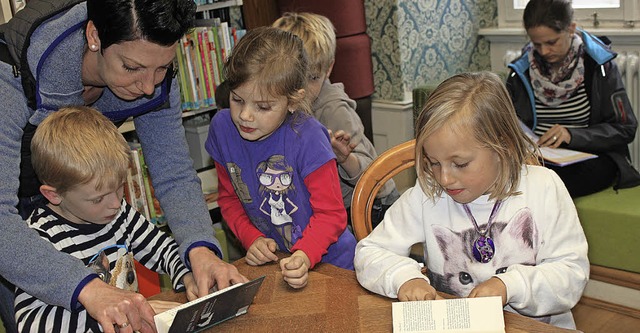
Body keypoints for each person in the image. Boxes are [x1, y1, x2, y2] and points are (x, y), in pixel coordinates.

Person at [0, 1, 246, 332]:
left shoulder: (152, 73)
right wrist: (87, 288)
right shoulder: (10, 74)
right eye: (132, 68)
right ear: (94, 36)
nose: (148, 87)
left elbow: (173, 174)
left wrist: (200, 250)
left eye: (162, 69)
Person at [354, 72, 589, 329]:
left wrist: (510, 285)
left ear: (503, 146)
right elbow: (370, 253)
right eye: (433, 163)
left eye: (460, 164)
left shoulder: (544, 187)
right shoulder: (427, 195)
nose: (444, 178)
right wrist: (404, 278)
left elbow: (571, 275)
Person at [16, 106, 197, 332]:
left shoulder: (117, 212)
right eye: (97, 199)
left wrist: (188, 275)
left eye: (119, 188)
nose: (115, 203)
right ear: (54, 195)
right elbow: (32, 324)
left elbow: (162, 248)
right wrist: (124, 314)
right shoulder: (38, 240)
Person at [204, 26, 357, 289]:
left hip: (334, 265)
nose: (245, 116)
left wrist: (305, 254)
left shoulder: (309, 137)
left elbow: (331, 214)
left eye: (263, 107)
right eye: (237, 100)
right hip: (277, 264)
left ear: (293, 101)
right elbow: (229, 199)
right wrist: (251, 238)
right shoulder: (221, 128)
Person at [272, 12, 400, 228]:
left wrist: (344, 159)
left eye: (312, 78)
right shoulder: (281, 106)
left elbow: (373, 172)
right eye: (294, 79)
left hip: (371, 206)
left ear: (328, 68)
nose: (301, 90)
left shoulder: (334, 109)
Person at [506, 0, 640, 198]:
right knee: (510, 174)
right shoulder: (520, 71)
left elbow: (625, 128)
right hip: (537, 158)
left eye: (552, 42)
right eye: (537, 44)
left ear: (571, 29)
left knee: (557, 181)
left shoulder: (600, 66)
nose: (543, 51)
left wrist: (572, 135)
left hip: (589, 157)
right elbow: (509, 124)